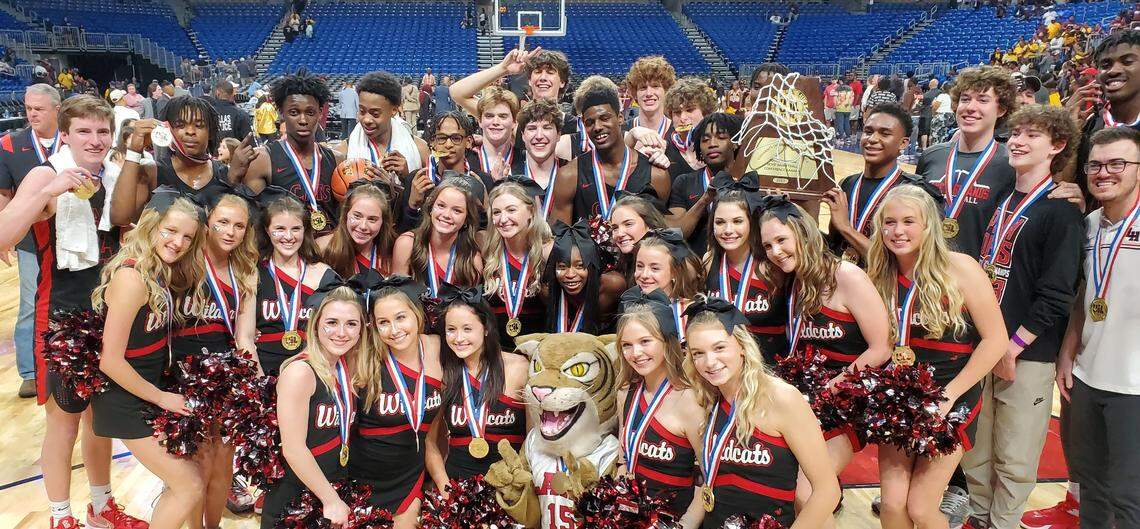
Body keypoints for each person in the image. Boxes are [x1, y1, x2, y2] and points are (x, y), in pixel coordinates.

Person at [5, 94, 145, 529]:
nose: (95, 139)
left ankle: (102, 507)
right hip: (59, 316)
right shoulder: (44, 174)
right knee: (63, 421)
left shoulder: (117, 175)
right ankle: (59, 515)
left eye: (102, 131)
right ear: (64, 134)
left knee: (100, 420)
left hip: (109, 315)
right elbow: (5, 233)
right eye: (84, 131)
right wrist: (49, 191)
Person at [960, 105, 1084, 529]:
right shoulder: (1000, 198)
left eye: (1032, 135)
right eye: (1015, 133)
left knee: (1014, 453)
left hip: (1026, 352)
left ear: (1058, 146)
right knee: (976, 447)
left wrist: (1013, 347)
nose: (1017, 140)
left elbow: (1057, 294)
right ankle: (978, 517)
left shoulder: (1063, 212)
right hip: (983, 343)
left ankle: (1003, 523)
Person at [866, 185, 1006, 529]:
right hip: (898, 394)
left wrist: (951, 393)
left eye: (909, 221)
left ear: (929, 224)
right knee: (893, 505)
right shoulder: (877, 274)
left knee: (921, 507)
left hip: (950, 392)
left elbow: (995, 340)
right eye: (889, 222)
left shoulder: (961, 268)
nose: (898, 231)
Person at [758, 197, 890, 526]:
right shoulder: (794, 279)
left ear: (803, 233)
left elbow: (882, 347)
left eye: (781, 240)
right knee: (795, 490)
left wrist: (832, 388)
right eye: (768, 245)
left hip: (849, 397)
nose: (775, 251)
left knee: (810, 492)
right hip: (809, 396)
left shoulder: (847, 276)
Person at [91, 195, 206, 529]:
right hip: (124, 398)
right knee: (189, 485)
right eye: (170, 231)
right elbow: (109, 361)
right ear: (152, 226)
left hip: (145, 390)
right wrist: (161, 397)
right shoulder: (131, 279)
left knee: (186, 481)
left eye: (187, 237)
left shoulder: (158, 271)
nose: (178, 242)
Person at [683, 297, 840, 528]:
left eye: (719, 348)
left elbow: (827, 491)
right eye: (698, 353)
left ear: (742, 347)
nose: (710, 362)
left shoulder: (782, 398)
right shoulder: (706, 398)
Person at [1058, 127, 1140, 529]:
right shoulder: (1088, 225)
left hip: (1135, 387)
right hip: (1087, 377)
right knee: (1091, 487)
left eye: (1118, 164)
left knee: (1130, 497)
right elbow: (1083, 300)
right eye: (1096, 164)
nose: (1104, 172)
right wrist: (1067, 351)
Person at [173, 190, 259, 529]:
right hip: (184, 375)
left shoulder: (246, 270)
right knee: (199, 465)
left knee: (224, 463)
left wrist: (253, 383)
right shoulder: (185, 263)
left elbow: (245, 337)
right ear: (207, 224)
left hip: (226, 377)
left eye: (239, 226)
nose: (230, 232)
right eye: (222, 222)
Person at [259, 285, 365, 528]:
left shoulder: (343, 369)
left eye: (351, 324)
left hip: (327, 492)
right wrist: (331, 501)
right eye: (332, 322)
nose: (341, 332)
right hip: (294, 502)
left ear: (361, 331)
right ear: (316, 325)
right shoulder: (300, 372)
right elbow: (294, 449)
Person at [352, 281, 444, 529]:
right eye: (383, 322)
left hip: (408, 478)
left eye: (400, 317)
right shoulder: (363, 357)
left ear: (417, 314)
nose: (394, 330)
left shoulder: (437, 349)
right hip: (361, 480)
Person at [615, 288, 705, 527]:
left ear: (667, 341)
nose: (636, 353)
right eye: (627, 345)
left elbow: (711, 477)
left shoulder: (690, 401)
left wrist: (685, 525)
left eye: (645, 341)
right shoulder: (625, 394)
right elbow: (624, 460)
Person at [429, 284, 528, 483]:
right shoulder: (444, 375)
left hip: (509, 488)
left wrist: (520, 487)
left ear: (485, 329)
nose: (459, 338)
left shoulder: (518, 367)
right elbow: (431, 442)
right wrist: (445, 488)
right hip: (458, 489)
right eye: (451, 330)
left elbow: (533, 439)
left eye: (467, 329)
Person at [0, 84, 61, 399]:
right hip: (29, 241)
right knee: (30, 303)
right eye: (28, 108)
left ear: (57, 109)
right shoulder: (10, 143)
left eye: (39, 108)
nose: (32, 114)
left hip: (72, 238)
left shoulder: (74, 138)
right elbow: (3, 194)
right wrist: (3, 238)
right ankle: (28, 370)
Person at [230, 72, 344, 237]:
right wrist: (232, 177)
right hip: (285, 254)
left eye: (310, 113)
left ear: (320, 113)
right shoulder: (262, 160)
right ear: (281, 113)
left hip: (329, 254)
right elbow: (253, 220)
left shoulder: (337, 159)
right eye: (294, 112)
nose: (303, 120)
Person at [550, 76, 669, 225]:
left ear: (620, 118)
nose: (597, 126)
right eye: (590, 122)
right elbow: (559, 239)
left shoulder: (656, 175)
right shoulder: (569, 175)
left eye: (605, 118)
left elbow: (661, 237)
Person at [110, 96, 232, 226]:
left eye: (199, 125)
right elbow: (120, 219)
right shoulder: (152, 171)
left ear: (211, 132)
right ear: (167, 129)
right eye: (180, 125)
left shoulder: (226, 174)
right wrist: (134, 152)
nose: (190, 131)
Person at [254, 193, 340, 376]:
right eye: (279, 229)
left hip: (311, 370)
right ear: (267, 230)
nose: (288, 236)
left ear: (305, 231)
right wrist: (258, 385)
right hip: (263, 371)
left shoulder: (324, 274)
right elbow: (244, 337)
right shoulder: (253, 273)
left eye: (295, 229)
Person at [824, 103, 921, 263]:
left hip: (883, 286)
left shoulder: (912, 192)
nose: (873, 139)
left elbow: (897, 261)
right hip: (843, 281)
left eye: (885, 134)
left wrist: (846, 228)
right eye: (868, 131)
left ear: (903, 143)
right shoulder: (848, 183)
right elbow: (834, 243)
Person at [705, 190, 788, 364]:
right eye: (720, 222)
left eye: (737, 221)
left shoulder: (772, 264)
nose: (728, 230)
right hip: (727, 368)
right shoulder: (709, 261)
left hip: (771, 370)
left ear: (751, 222)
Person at [481, 180, 551, 347]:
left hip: (539, 352)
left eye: (511, 210)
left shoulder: (548, 252)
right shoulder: (487, 253)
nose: (503, 219)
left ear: (531, 212)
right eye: (496, 212)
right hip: (497, 351)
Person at [667, 112, 744, 255]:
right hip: (695, 268)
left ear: (735, 143)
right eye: (705, 140)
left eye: (721, 137)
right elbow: (676, 235)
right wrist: (705, 200)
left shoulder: (748, 181)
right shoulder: (684, 182)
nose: (712, 144)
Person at [391, 177, 484, 295]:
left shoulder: (471, 259)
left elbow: (469, 310)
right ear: (431, 208)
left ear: (466, 219)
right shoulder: (407, 243)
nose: (446, 215)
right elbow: (397, 299)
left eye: (457, 211)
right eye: (441, 206)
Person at [333, 70, 428, 182]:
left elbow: (430, 196)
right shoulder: (342, 153)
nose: (367, 120)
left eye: (375, 114)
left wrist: (407, 178)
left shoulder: (420, 149)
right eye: (362, 111)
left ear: (394, 110)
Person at [544, 220, 612, 334]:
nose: (570, 274)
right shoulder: (547, 292)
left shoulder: (611, 286)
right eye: (561, 267)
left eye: (580, 266)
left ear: (592, 266)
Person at [318, 180, 396, 277]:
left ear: (383, 222)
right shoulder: (322, 248)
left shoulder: (394, 253)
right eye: (357, 216)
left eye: (372, 219)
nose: (363, 226)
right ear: (346, 214)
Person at [659, 77, 720, 180]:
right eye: (677, 112)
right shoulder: (662, 150)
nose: (683, 118)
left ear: (705, 112)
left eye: (689, 110)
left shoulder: (719, 148)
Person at [512, 98, 564, 218]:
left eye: (547, 127)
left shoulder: (571, 174)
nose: (539, 136)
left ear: (559, 134)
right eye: (532, 128)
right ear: (523, 135)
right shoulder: (510, 176)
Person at [470, 87, 520, 180]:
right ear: (479, 121)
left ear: (514, 122)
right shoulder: (467, 160)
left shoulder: (525, 160)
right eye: (489, 116)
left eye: (503, 116)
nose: (496, 122)